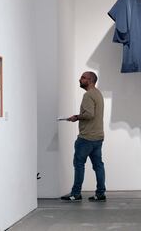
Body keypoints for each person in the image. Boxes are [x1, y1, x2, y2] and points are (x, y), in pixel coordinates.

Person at [60, 71, 106, 202]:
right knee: (98, 165)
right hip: (98, 136)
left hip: (86, 138)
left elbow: (90, 114)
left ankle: (75, 193)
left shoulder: (88, 95)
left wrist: (76, 117)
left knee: (79, 165)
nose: (80, 80)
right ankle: (100, 193)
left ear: (90, 80)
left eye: (83, 78)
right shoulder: (98, 94)